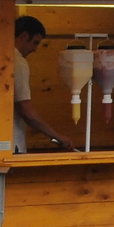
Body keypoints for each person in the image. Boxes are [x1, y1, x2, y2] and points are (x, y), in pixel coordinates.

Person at [12, 16, 74, 154]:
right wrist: (57, 136)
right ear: (24, 36)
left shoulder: (2, 57)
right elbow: (26, 110)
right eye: (35, 42)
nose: (35, 49)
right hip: (12, 144)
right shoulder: (19, 63)